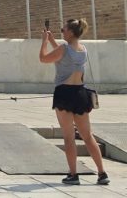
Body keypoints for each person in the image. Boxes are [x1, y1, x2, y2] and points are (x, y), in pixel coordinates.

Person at [39, 18, 109, 186]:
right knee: (87, 136)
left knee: (69, 137)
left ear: (70, 32)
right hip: (80, 93)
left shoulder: (64, 48)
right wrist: (52, 40)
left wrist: (44, 43)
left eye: (63, 30)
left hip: (64, 93)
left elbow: (44, 58)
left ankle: (73, 174)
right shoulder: (83, 49)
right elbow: (65, 55)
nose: (62, 32)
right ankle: (102, 173)